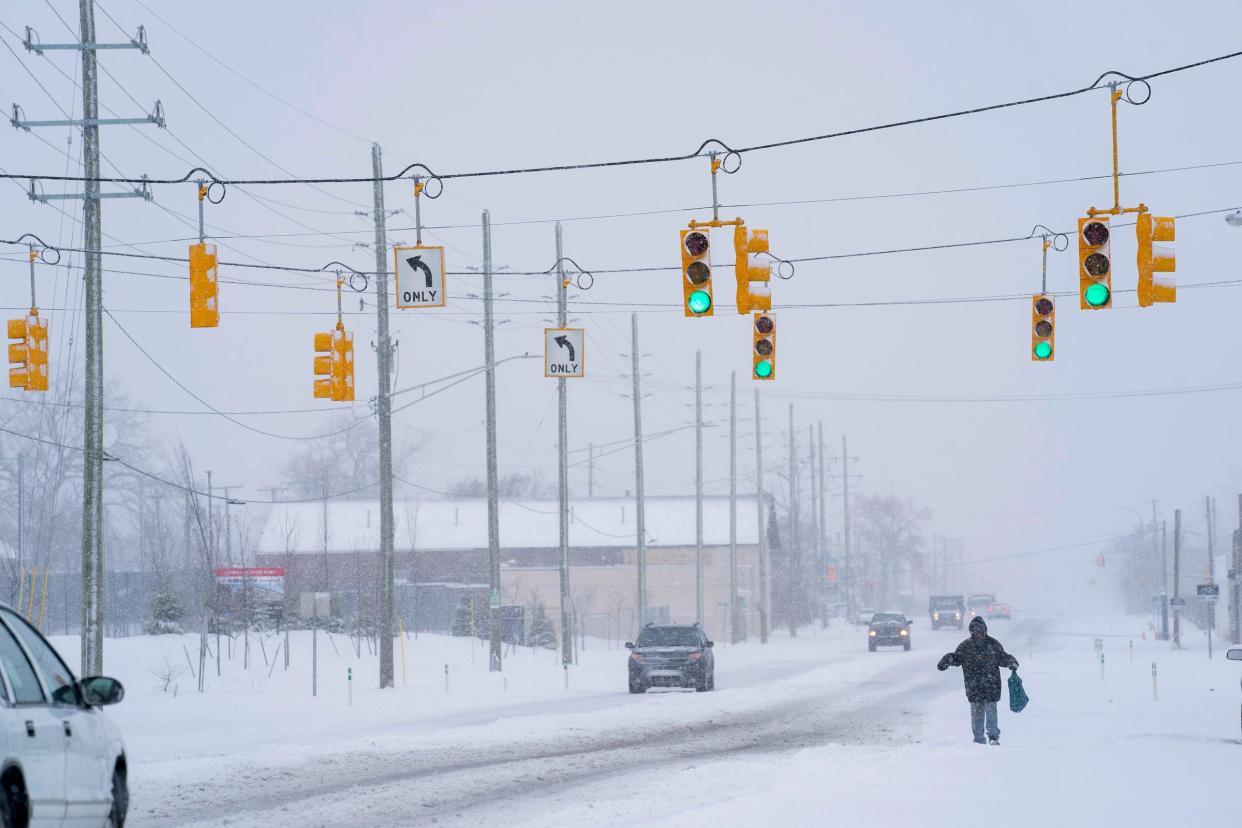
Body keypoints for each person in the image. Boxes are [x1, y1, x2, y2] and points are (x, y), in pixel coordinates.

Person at [937, 616, 1018, 744]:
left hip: (992, 685)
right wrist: (947, 659)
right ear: (971, 632)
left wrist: (1012, 662)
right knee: (977, 713)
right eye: (975, 631)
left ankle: (993, 737)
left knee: (991, 711)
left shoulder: (993, 644)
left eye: (980, 631)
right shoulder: (965, 646)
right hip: (974, 686)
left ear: (985, 630)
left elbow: (1003, 657)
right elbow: (956, 658)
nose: (978, 634)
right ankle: (978, 738)